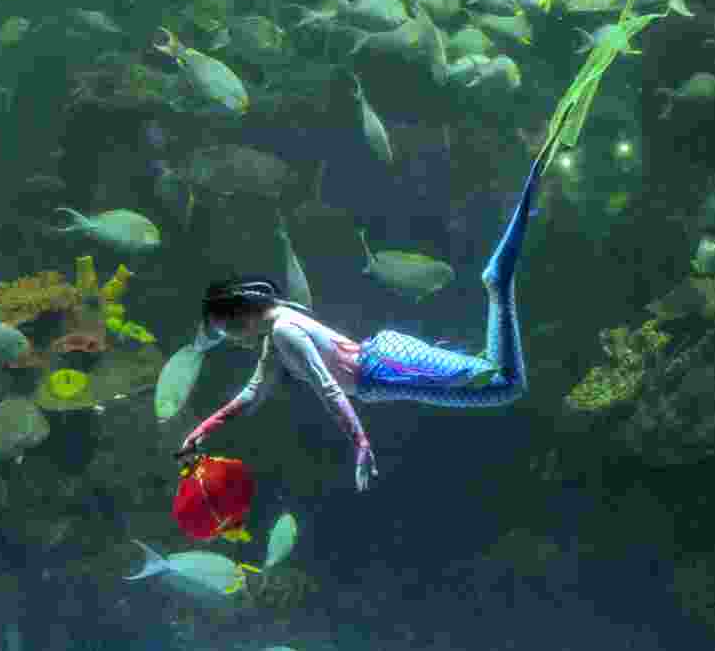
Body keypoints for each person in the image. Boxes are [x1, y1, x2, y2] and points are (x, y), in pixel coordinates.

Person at [179, 152, 547, 491]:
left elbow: (329, 388)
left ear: (241, 313)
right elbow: (252, 393)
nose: (230, 338)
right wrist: (203, 430)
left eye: (227, 329)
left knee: (504, 384)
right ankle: (499, 283)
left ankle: (499, 280)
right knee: (495, 379)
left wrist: (361, 443)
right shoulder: (275, 338)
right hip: (385, 370)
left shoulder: (284, 331)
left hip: (386, 366)